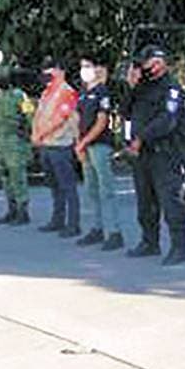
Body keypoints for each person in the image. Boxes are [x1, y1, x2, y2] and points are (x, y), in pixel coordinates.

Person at [123, 45, 185, 266]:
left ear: (160, 63)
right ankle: (149, 242)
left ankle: (180, 248)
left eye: (149, 63)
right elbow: (125, 112)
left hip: (164, 154)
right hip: (141, 155)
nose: (146, 68)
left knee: (170, 202)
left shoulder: (172, 88)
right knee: (145, 202)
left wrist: (141, 137)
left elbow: (167, 121)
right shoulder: (142, 87)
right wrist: (131, 87)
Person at [73, 53, 123, 251]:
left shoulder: (103, 92)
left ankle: (114, 232)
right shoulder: (83, 93)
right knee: (91, 190)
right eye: (82, 66)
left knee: (106, 190)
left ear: (96, 69)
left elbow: (102, 122)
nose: (84, 69)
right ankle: (97, 228)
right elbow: (77, 120)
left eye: (87, 65)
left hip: (100, 145)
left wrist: (83, 142)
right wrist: (78, 143)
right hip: (85, 146)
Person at [31, 57, 81, 238]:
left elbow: (60, 118)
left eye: (50, 70)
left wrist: (39, 135)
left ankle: (73, 224)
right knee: (54, 186)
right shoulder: (46, 92)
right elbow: (38, 115)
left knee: (68, 187)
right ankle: (57, 220)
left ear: (60, 71)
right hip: (46, 145)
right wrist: (35, 134)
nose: (46, 73)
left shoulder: (67, 92)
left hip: (61, 145)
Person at [0, 68, 34, 226]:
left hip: (14, 142)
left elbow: (30, 115)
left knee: (18, 177)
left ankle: (22, 212)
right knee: (5, 178)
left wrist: (31, 134)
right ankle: (11, 209)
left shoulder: (20, 96)